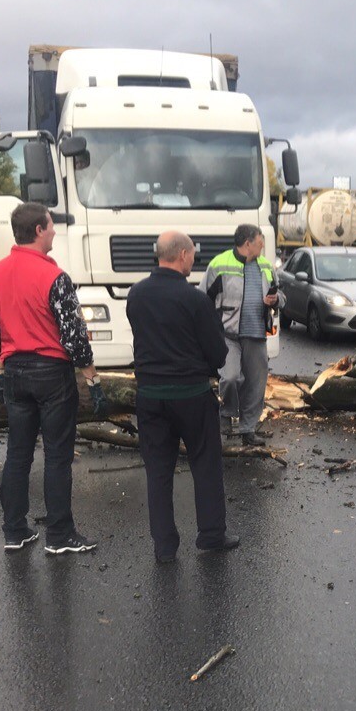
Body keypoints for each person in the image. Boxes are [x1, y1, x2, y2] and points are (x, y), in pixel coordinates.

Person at [0, 201, 102, 555]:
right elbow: (74, 337)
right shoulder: (54, 277)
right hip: (51, 374)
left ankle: (14, 530)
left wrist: (0, 373)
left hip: (15, 373)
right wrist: (93, 381)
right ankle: (60, 535)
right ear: (38, 230)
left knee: (17, 454)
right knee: (57, 456)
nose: (53, 232)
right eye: (50, 226)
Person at [126, 231, 237, 561]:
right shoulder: (194, 299)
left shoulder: (137, 294)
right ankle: (211, 536)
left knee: (158, 472)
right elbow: (218, 354)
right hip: (191, 395)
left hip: (149, 396)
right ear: (183, 255)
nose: (193, 259)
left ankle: (164, 546)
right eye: (192, 254)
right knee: (205, 464)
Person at [201, 224, 279, 446]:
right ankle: (226, 415)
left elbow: (281, 295)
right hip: (228, 334)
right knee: (231, 377)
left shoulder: (265, 266)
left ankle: (248, 430)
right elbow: (203, 298)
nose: (263, 245)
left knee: (255, 385)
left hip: (256, 334)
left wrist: (277, 300)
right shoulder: (219, 264)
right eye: (260, 241)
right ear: (248, 244)